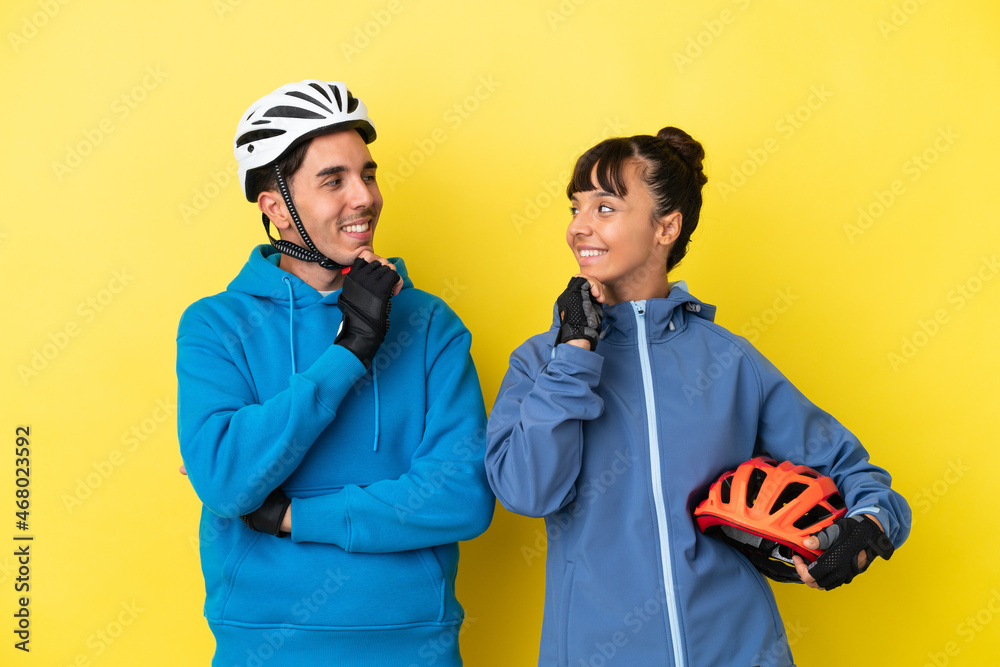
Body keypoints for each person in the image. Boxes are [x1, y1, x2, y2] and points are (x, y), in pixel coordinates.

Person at [484, 127, 911, 667]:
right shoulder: (541, 361)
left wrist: (867, 526)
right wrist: (574, 354)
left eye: (605, 207)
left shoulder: (729, 360)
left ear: (666, 226)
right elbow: (527, 491)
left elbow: (854, 470)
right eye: (575, 207)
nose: (578, 227)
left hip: (738, 649)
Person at [177, 79, 494, 666]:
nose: (364, 197)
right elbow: (226, 481)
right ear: (276, 206)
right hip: (264, 645)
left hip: (413, 644)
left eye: (368, 175)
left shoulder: (428, 323)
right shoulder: (217, 325)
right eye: (334, 180)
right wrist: (349, 351)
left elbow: (462, 496)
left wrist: (293, 516)